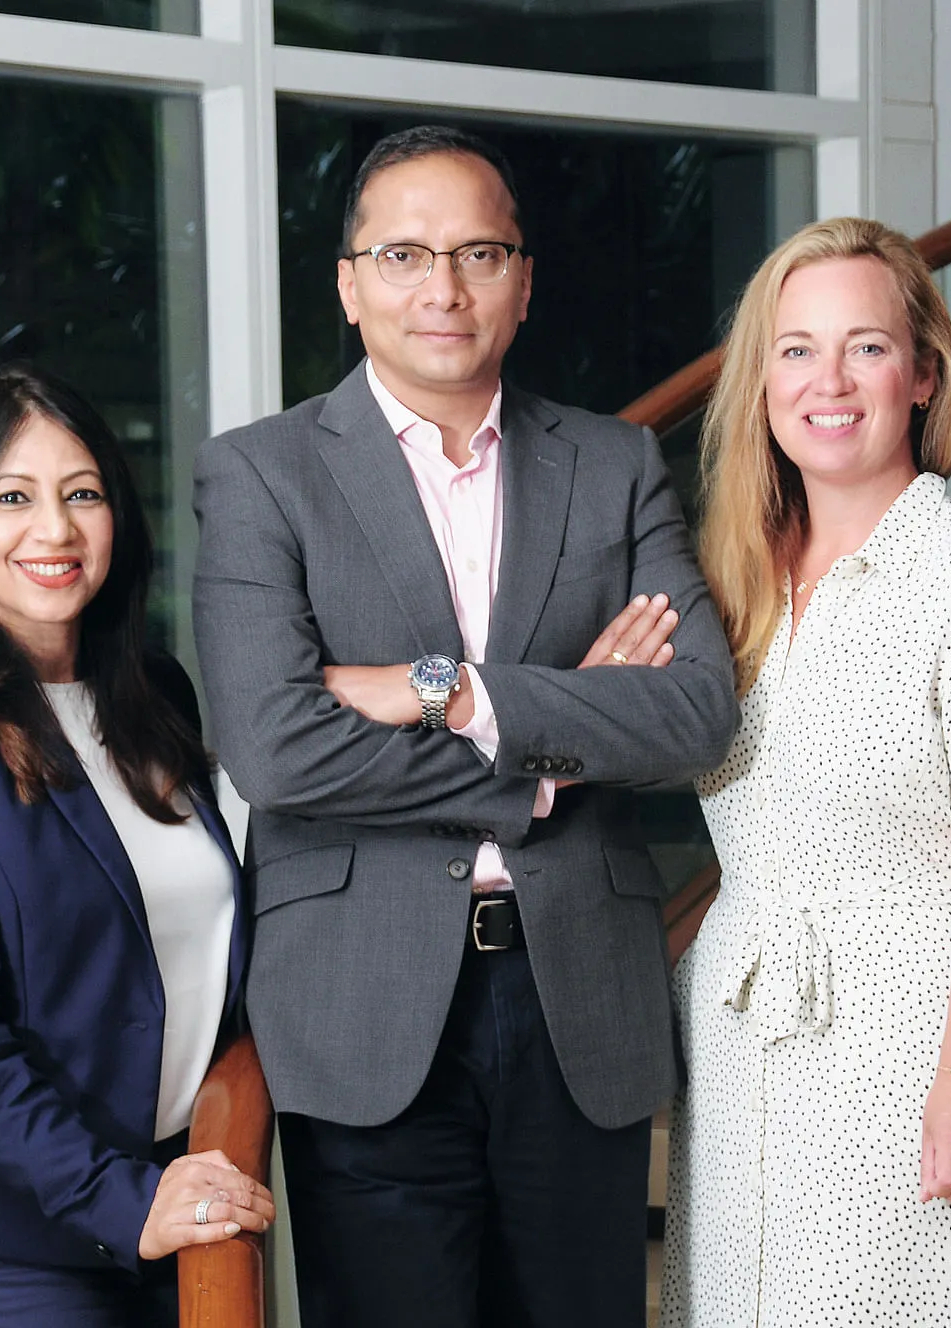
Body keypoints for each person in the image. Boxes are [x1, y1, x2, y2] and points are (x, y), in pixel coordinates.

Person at [191, 124, 739, 1328]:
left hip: (574, 998)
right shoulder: (261, 474)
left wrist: (451, 687)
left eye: (478, 252)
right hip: (361, 997)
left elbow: (695, 710)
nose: (442, 287)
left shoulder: (612, 463)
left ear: (523, 280)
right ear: (347, 284)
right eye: (402, 254)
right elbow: (275, 743)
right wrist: (546, 760)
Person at [660, 216, 951, 1326]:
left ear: (921, 374)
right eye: (795, 349)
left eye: (864, 345)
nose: (827, 379)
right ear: (760, 384)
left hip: (905, 1037)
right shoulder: (729, 584)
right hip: (741, 1037)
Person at [0, 364, 274, 1326]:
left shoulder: (153, 695)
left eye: (83, 494)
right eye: (12, 499)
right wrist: (124, 1198)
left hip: (167, 1192)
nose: (56, 530)